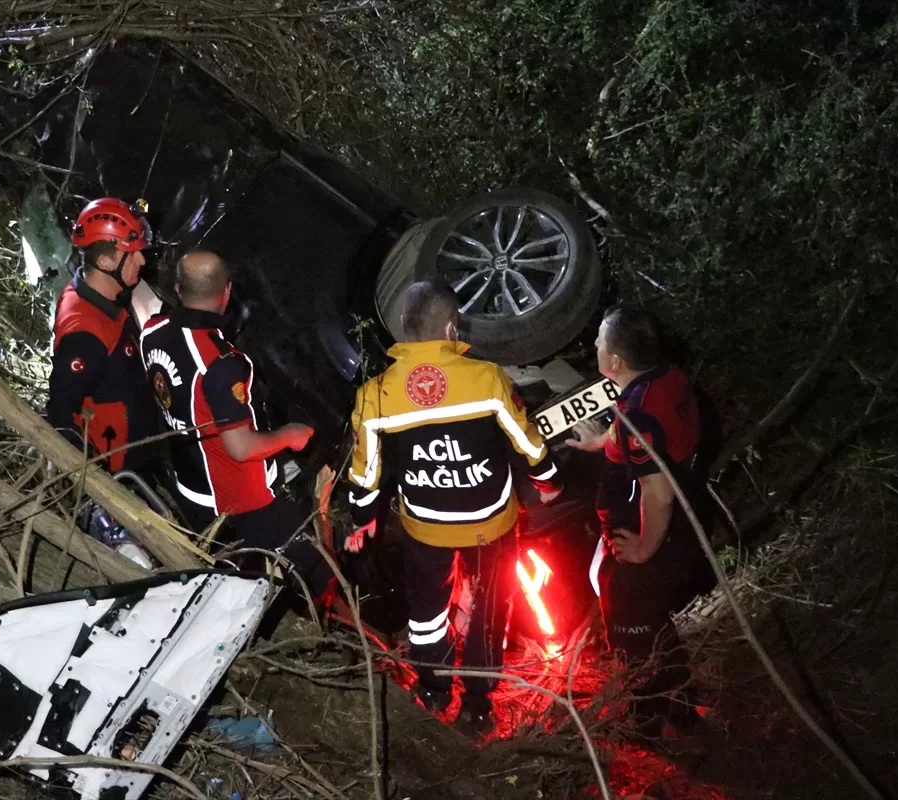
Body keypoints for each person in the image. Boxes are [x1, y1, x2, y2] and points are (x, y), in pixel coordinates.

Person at [344, 278, 562, 735]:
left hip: (426, 528)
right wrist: (549, 483)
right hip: (492, 522)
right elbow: (526, 441)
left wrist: (361, 519)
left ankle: (434, 688)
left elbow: (367, 473)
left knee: (426, 614)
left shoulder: (376, 394)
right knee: (489, 610)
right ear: (451, 328)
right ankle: (478, 706)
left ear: (403, 330)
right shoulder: (486, 378)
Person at [139, 250, 335, 603]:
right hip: (242, 498)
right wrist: (288, 435)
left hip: (192, 487)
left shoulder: (151, 332)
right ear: (227, 292)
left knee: (242, 572)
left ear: (178, 288)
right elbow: (241, 447)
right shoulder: (221, 363)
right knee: (315, 570)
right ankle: (324, 626)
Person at [566, 303, 709, 734]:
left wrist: (644, 548)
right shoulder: (664, 379)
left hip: (650, 532)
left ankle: (646, 719)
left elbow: (657, 492)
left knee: (630, 624)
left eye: (599, 341)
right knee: (651, 618)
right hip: (676, 520)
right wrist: (602, 444)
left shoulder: (638, 415)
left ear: (615, 362)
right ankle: (682, 703)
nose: (592, 344)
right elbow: (639, 430)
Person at [45, 196, 159, 473]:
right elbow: (61, 414)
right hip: (124, 469)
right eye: (133, 253)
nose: (143, 260)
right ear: (107, 260)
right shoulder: (84, 336)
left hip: (142, 441)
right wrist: (98, 484)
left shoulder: (98, 293)